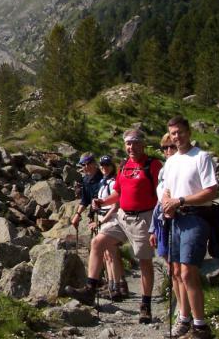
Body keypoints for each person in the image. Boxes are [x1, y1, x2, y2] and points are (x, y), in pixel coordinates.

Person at [65, 128, 162, 324]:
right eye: (128, 143)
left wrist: (159, 222)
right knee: (98, 242)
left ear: (143, 144)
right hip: (122, 216)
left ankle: (146, 304)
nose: (131, 147)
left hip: (144, 217)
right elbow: (119, 192)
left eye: (135, 142)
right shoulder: (125, 165)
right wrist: (103, 202)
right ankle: (90, 288)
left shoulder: (153, 165)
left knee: (144, 261)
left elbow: (161, 193)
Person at [161, 116, 218, 339]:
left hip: (196, 216)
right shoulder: (171, 160)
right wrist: (167, 202)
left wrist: (180, 201)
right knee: (175, 271)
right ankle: (184, 319)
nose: (177, 137)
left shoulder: (201, 157)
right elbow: (167, 188)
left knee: (187, 271)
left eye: (180, 132)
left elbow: (211, 191)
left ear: (189, 132)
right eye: (173, 133)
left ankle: (201, 325)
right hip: (176, 218)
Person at [92, 154, 128, 301]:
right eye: (102, 166)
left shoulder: (113, 182)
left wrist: (101, 221)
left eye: (107, 165)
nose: (104, 168)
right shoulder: (103, 182)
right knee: (108, 254)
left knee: (111, 254)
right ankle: (113, 284)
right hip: (103, 217)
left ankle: (117, 286)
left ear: (113, 167)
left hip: (110, 218)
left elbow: (115, 205)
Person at [70, 153, 102, 229]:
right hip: (94, 215)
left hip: (106, 214)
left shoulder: (103, 177)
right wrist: (77, 214)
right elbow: (85, 200)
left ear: (94, 163)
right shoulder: (85, 180)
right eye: (83, 165)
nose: (86, 167)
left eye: (89, 163)